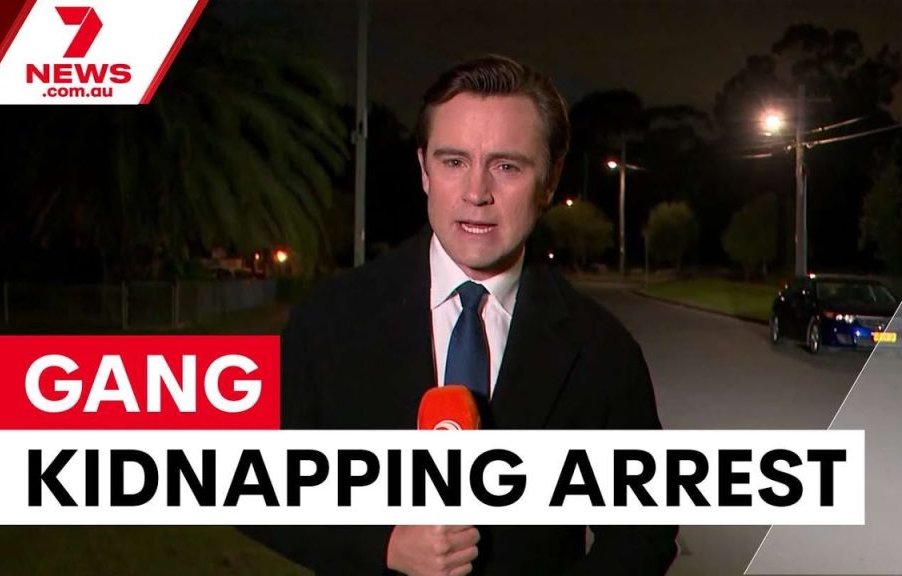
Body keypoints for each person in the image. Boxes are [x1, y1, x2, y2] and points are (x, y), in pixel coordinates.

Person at [246, 55, 677, 575]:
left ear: (549, 180)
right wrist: (382, 545)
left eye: (506, 166)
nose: (476, 193)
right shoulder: (329, 320)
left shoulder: (602, 351)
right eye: (453, 162)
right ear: (424, 170)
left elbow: (644, 533)